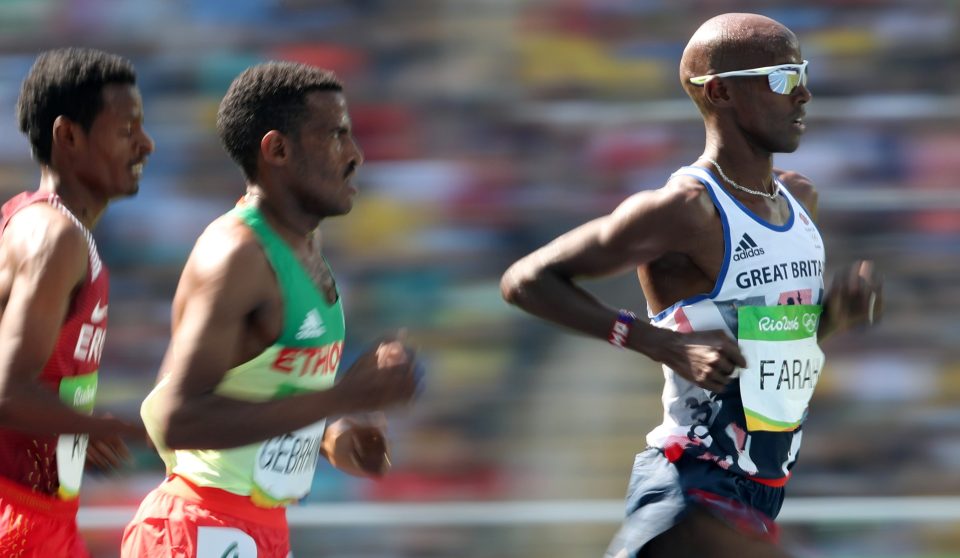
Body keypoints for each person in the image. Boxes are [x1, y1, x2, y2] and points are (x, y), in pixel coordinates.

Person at [501, 13, 882, 558]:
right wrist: (662, 344)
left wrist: (828, 321)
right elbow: (524, 281)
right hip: (692, 486)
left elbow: (760, 346)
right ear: (721, 92)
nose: (803, 94)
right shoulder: (685, 209)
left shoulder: (800, 201)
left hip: (761, 492)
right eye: (780, 78)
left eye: (801, 72)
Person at [121, 62, 419, 558]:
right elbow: (176, 419)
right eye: (336, 136)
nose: (355, 156)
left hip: (255, 529)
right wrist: (339, 398)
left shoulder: (303, 248)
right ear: (278, 150)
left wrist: (332, 438)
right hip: (200, 527)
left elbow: (262, 392)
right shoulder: (238, 254)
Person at [0, 48, 153, 557]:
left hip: (42, 514)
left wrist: (75, 429)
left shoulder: (42, 225)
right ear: (68, 136)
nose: (145, 144)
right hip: (19, 518)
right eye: (126, 129)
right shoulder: (54, 235)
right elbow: (10, 391)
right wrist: (106, 427)